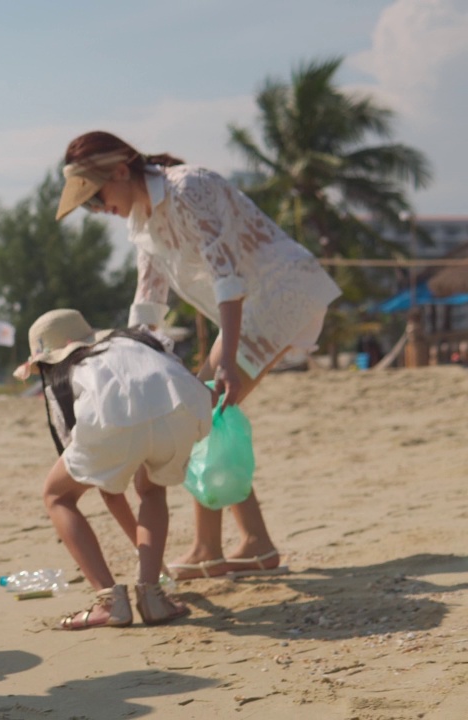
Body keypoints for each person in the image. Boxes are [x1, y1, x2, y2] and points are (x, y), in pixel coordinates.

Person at [56, 131, 343, 581]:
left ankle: (219, 547)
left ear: (119, 171)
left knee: (197, 410)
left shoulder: (187, 188)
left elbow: (227, 275)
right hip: (250, 306)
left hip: (280, 292)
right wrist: (135, 362)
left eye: (95, 197)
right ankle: (250, 544)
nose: (97, 210)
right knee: (198, 409)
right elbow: (148, 302)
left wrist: (226, 358)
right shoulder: (141, 219)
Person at [16, 309, 205, 629]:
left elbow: (109, 487)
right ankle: (152, 596)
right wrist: (153, 564)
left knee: (57, 496)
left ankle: (109, 601)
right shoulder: (132, 343)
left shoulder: (66, 374)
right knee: (151, 489)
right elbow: (113, 491)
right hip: (182, 406)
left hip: (114, 421)